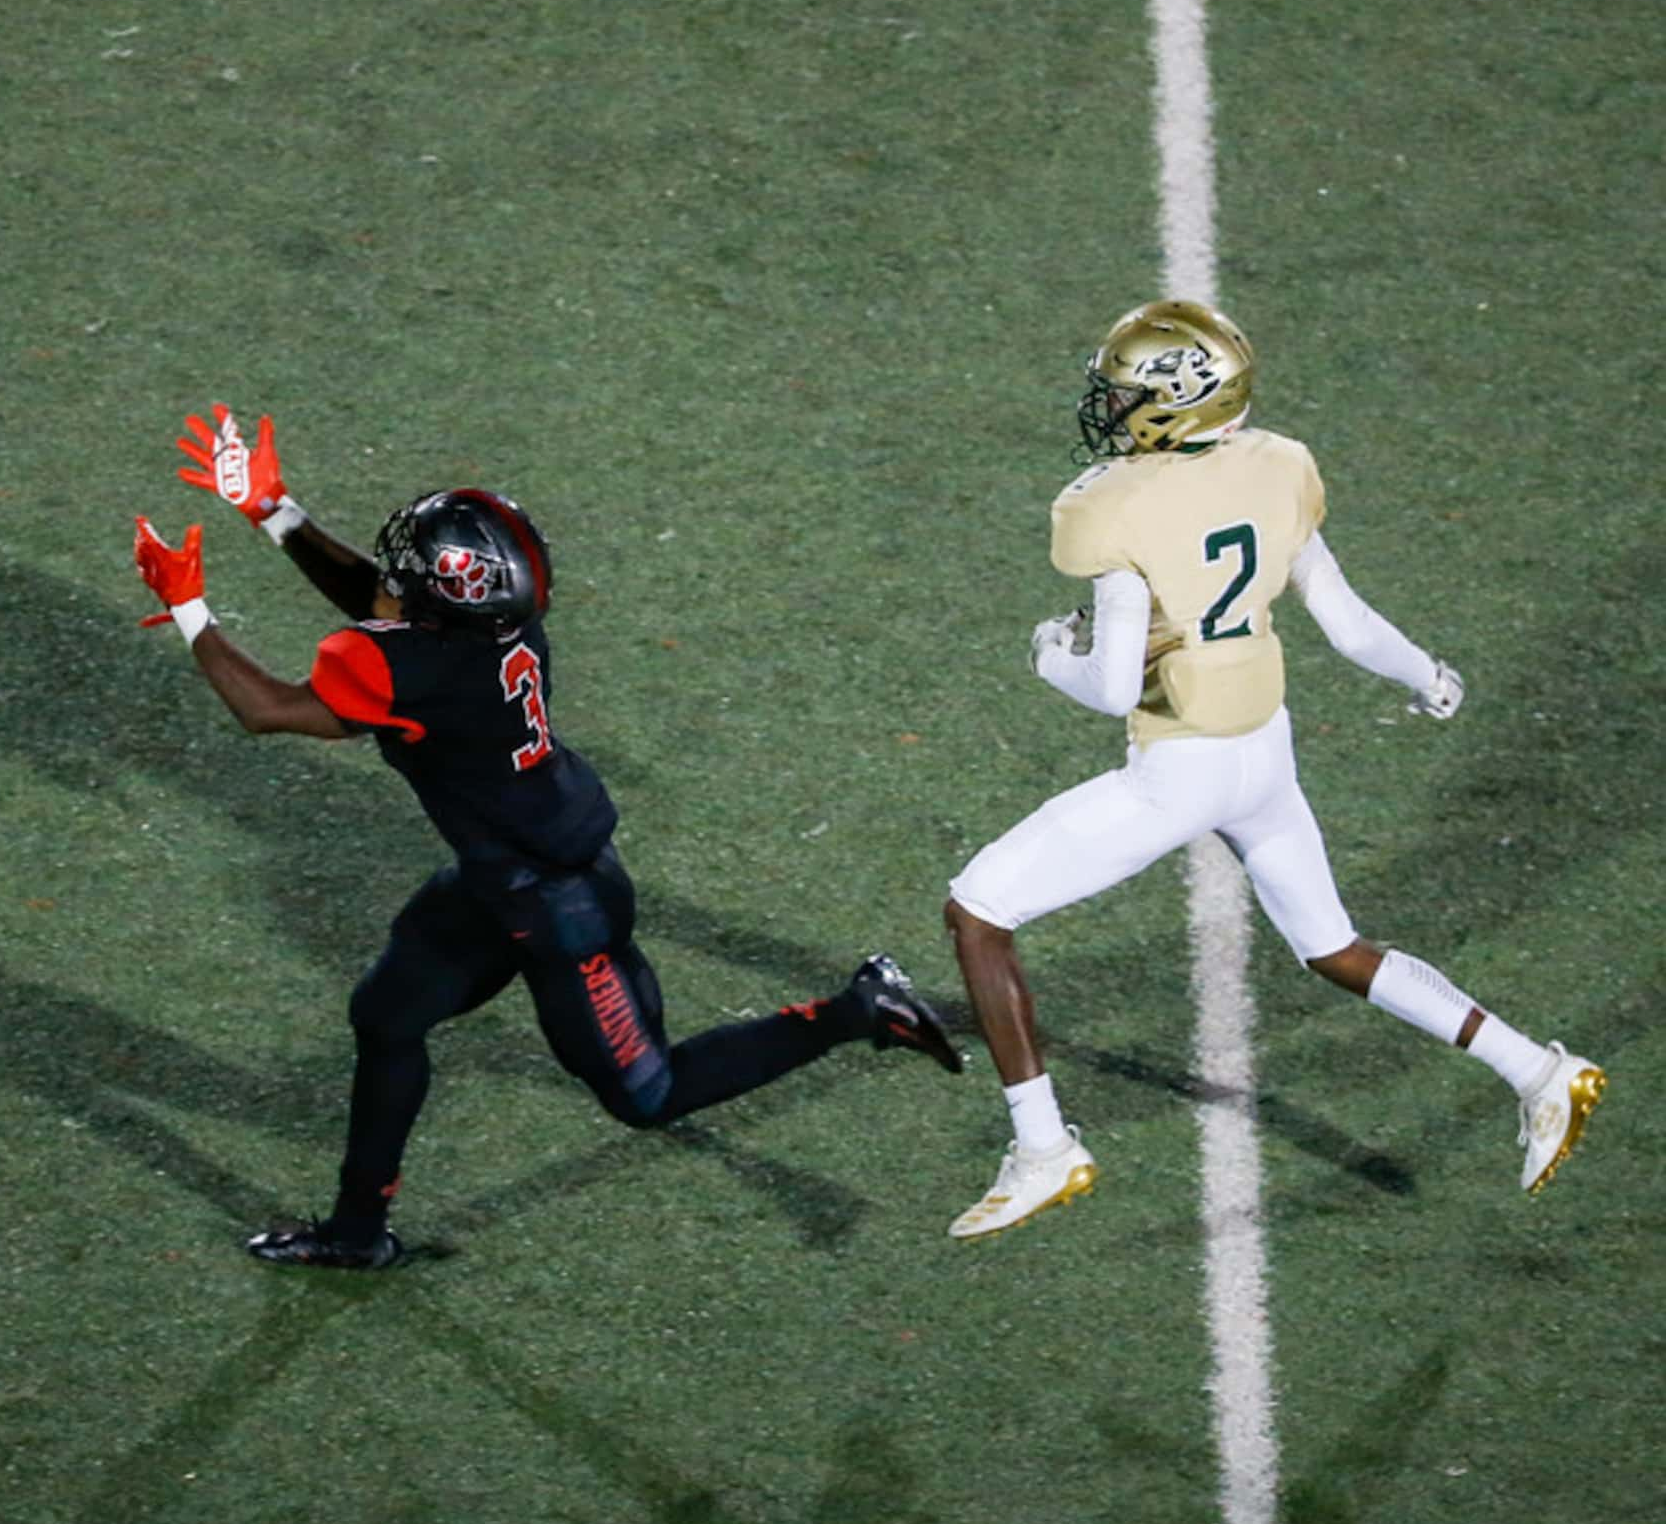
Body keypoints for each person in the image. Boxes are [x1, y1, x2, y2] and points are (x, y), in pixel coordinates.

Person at [133, 403, 964, 1269]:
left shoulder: (406, 661)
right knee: (385, 1017)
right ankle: (355, 1230)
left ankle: (859, 1012)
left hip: (557, 906)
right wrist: (271, 511)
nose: (394, 571)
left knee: (649, 1094)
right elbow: (392, 610)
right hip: (505, 877)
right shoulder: (499, 626)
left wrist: (190, 607)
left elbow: (268, 708)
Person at [942, 299, 1607, 1239]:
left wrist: (1051, 652)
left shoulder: (1112, 504)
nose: (1110, 404)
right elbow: (1344, 620)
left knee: (977, 912)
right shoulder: (1278, 465)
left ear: (1175, 401)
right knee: (1332, 948)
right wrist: (1427, 677)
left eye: (1126, 391)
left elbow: (1104, 684)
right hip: (1263, 745)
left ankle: (1044, 1147)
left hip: (1182, 769)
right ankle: (1539, 1072)